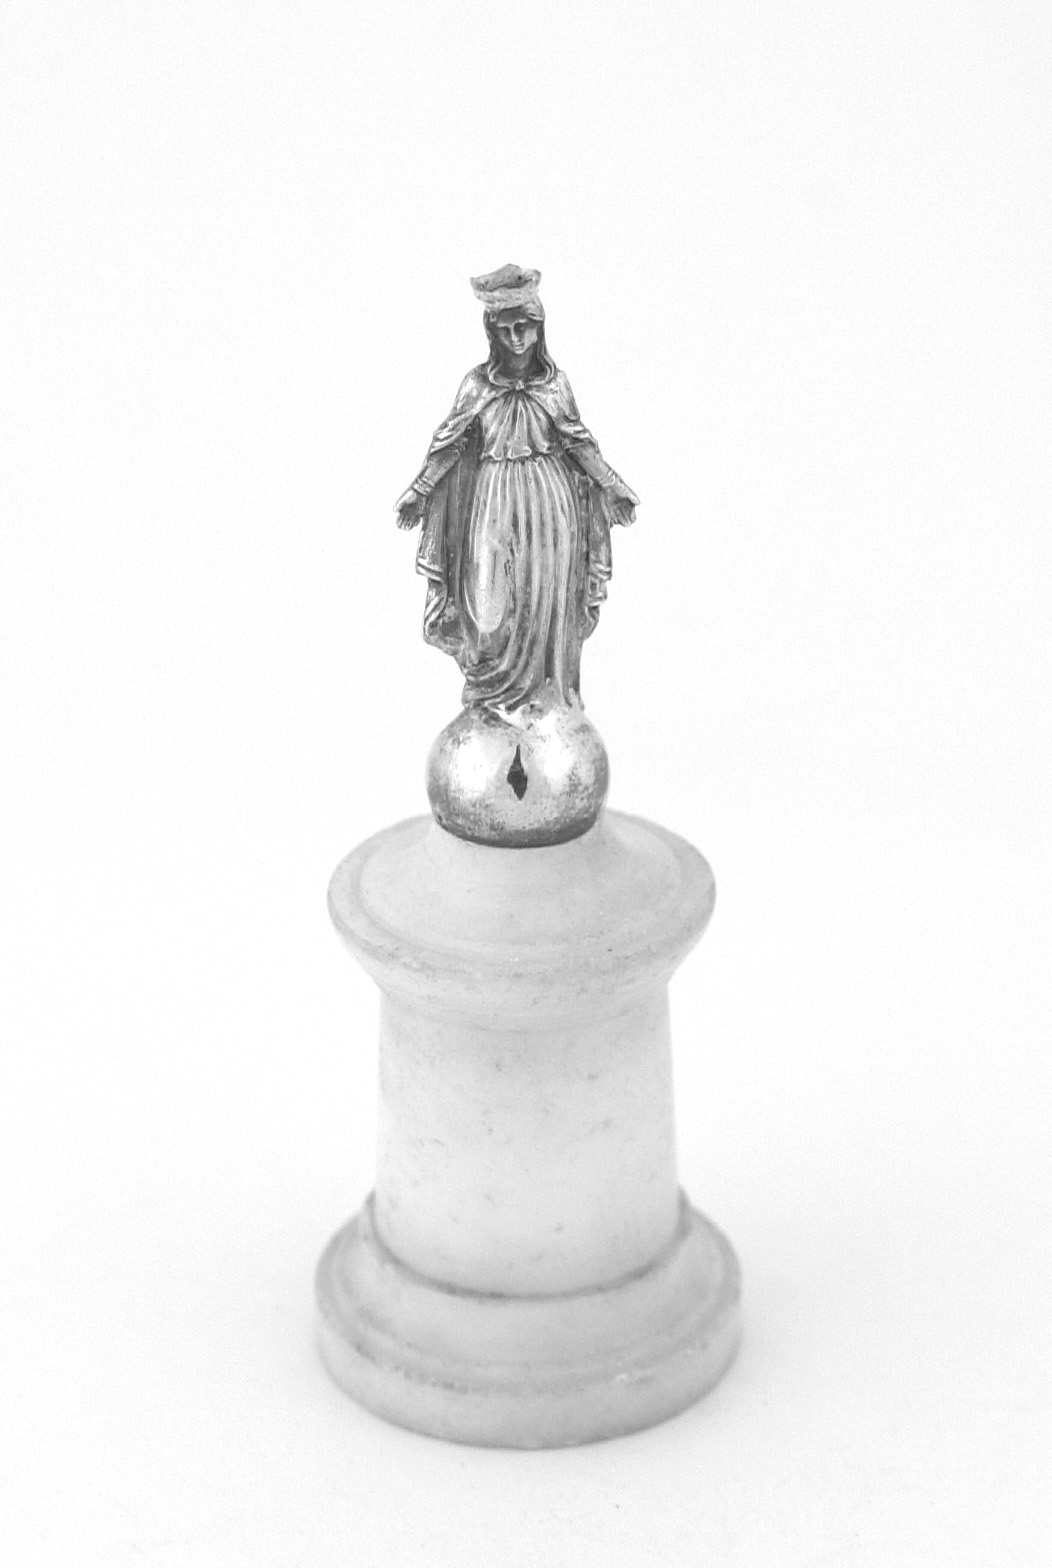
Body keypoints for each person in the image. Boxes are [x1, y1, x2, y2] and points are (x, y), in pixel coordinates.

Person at [395, 265, 638, 714]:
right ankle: (490, 704)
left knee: (544, 608)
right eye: (506, 331)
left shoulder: (555, 385)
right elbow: (450, 443)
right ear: (492, 333)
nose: (517, 340)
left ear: (539, 328)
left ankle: (546, 703)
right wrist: (421, 489)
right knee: (488, 615)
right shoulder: (477, 386)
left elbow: (578, 442)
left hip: (550, 507)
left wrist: (612, 485)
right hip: (492, 502)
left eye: (524, 328)